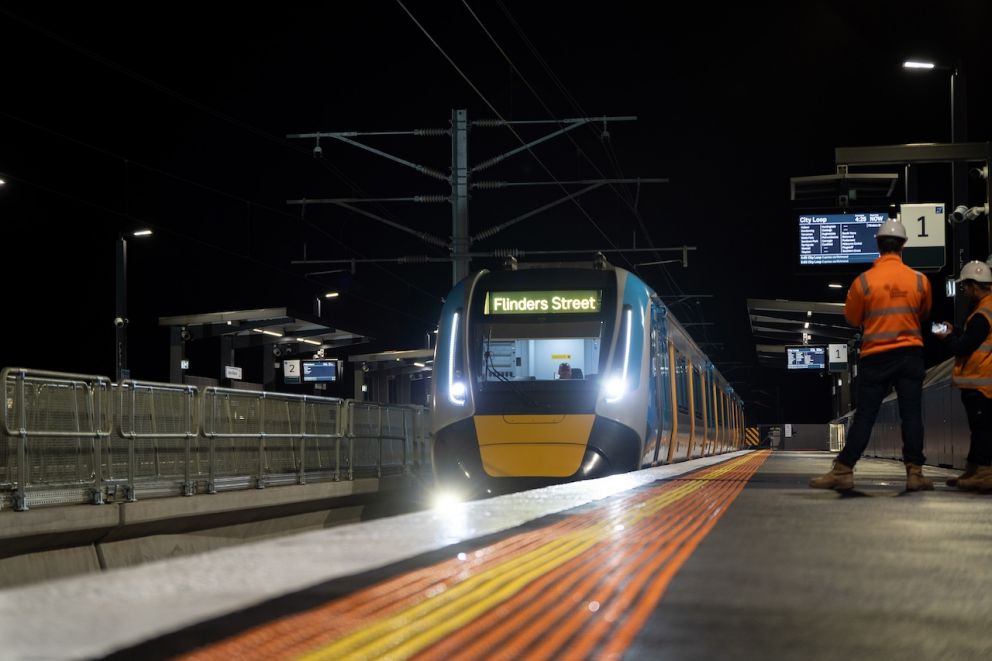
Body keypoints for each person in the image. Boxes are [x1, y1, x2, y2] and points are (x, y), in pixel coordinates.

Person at [810, 218, 934, 491]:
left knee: (866, 415)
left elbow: (852, 318)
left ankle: (843, 470)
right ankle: (915, 473)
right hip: (911, 354)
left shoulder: (864, 282)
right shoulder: (919, 280)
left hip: (876, 356)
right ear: (903, 245)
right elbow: (924, 313)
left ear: (877, 245)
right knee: (912, 415)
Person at [933, 260, 992, 490]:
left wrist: (946, 338)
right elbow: (977, 337)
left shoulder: (982, 314)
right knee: (979, 430)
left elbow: (962, 347)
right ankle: (972, 473)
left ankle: (984, 474)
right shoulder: (986, 309)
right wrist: (956, 331)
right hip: (981, 381)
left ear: (975, 285)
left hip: (979, 381)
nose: (964, 291)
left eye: (965, 286)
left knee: (982, 430)